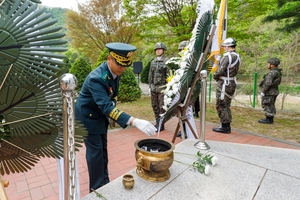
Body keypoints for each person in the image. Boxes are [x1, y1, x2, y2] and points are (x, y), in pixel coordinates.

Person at [75, 42, 156, 192]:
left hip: (99, 115)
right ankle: (97, 190)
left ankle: (104, 182)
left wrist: (112, 105)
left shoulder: (114, 72)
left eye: (125, 65)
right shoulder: (97, 78)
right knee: (95, 154)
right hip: (87, 118)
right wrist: (134, 121)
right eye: (120, 64)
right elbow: (106, 106)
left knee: (103, 151)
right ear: (109, 59)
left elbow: (111, 98)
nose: (123, 68)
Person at [212, 38, 241, 134]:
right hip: (232, 82)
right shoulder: (237, 56)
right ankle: (226, 125)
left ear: (228, 46)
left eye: (225, 46)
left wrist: (215, 76)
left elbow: (221, 70)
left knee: (221, 104)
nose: (224, 48)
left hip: (224, 83)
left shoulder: (227, 56)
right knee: (226, 104)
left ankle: (225, 126)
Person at [148, 42, 169, 131]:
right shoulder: (153, 61)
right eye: (156, 49)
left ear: (163, 50)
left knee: (161, 107)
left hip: (162, 88)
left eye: (159, 49)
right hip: (153, 88)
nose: (158, 51)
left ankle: (161, 124)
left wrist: (168, 87)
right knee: (154, 105)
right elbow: (150, 74)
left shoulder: (167, 61)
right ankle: (157, 121)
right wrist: (150, 86)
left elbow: (168, 75)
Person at [258, 58, 282, 124]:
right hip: (274, 91)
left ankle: (269, 119)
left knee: (268, 104)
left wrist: (263, 91)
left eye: (268, 63)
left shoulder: (272, 73)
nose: (267, 65)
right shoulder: (277, 72)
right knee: (271, 104)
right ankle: (269, 118)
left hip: (269, 91)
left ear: (272, 65)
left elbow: (267, 83)